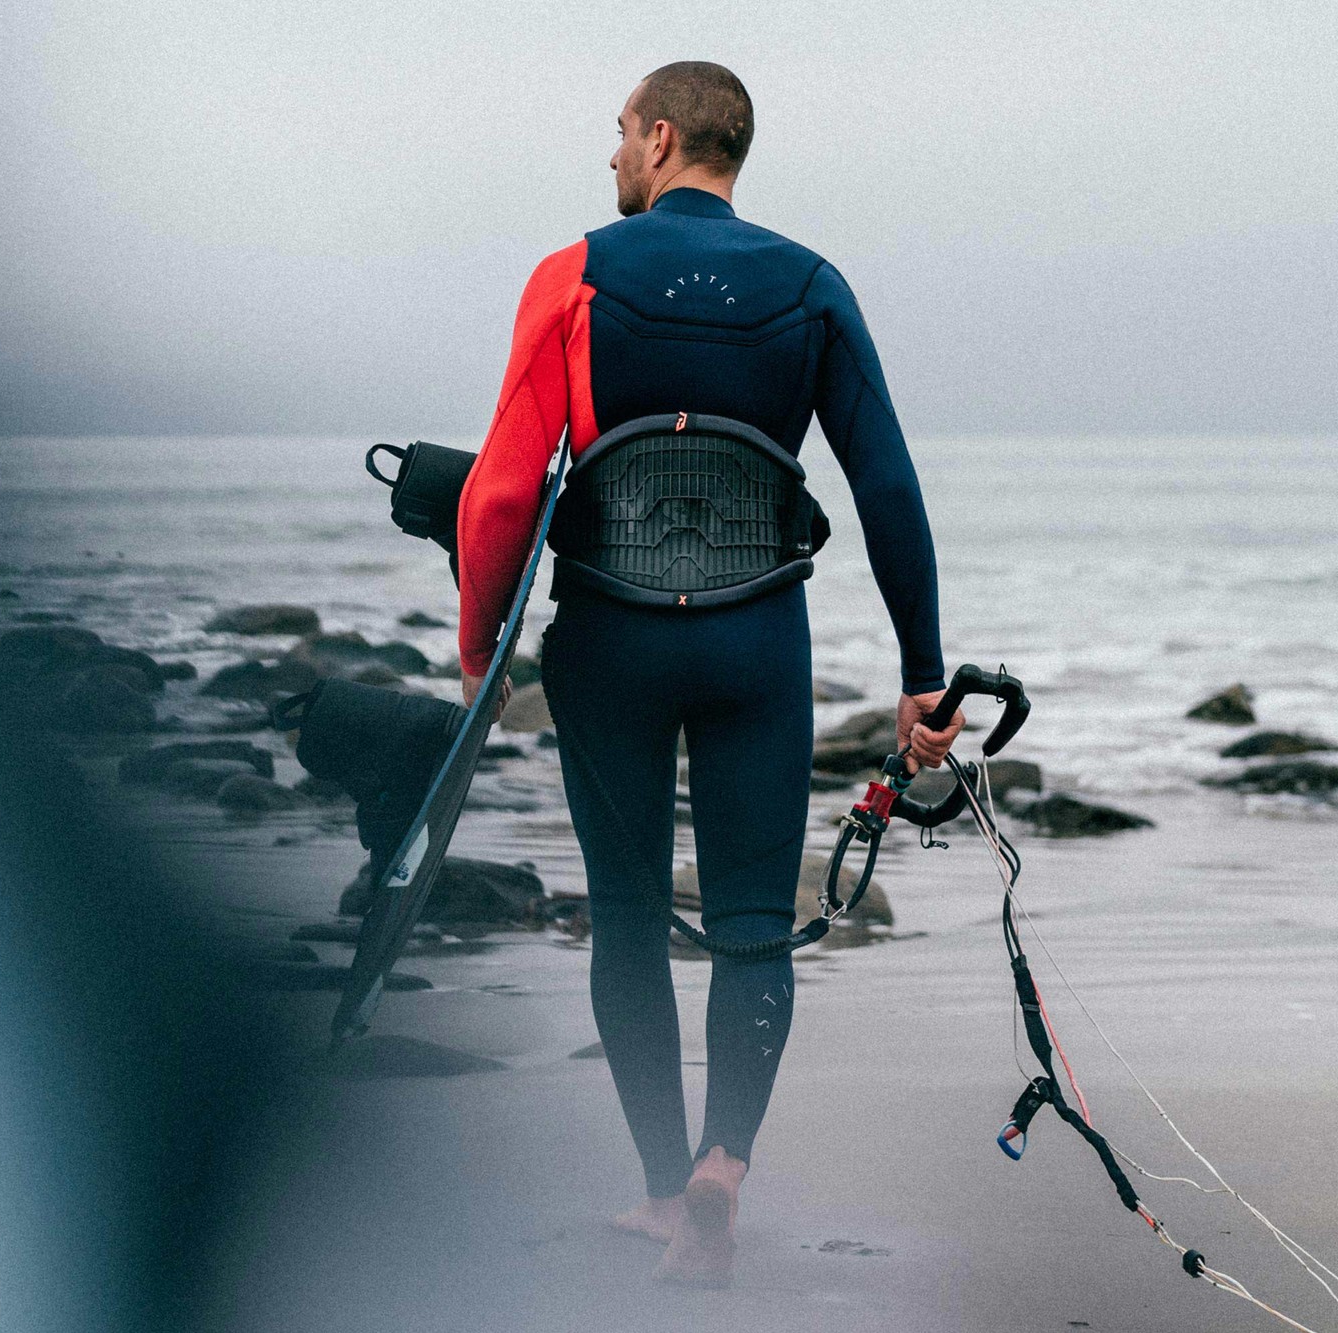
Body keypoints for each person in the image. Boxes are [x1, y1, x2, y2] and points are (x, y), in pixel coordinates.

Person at [453, 61, 960, 1286]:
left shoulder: (572, 274)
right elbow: (885, 482)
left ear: (662, 137)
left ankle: (656, 1187)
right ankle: (723, 1169)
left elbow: (505, 490)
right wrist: (922, 672)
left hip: (610, 643)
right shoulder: (811, 285)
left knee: (627, 915)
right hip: (756, 642)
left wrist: (482, 651)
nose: (610, 155)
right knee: (750, 923)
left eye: (620, 132)